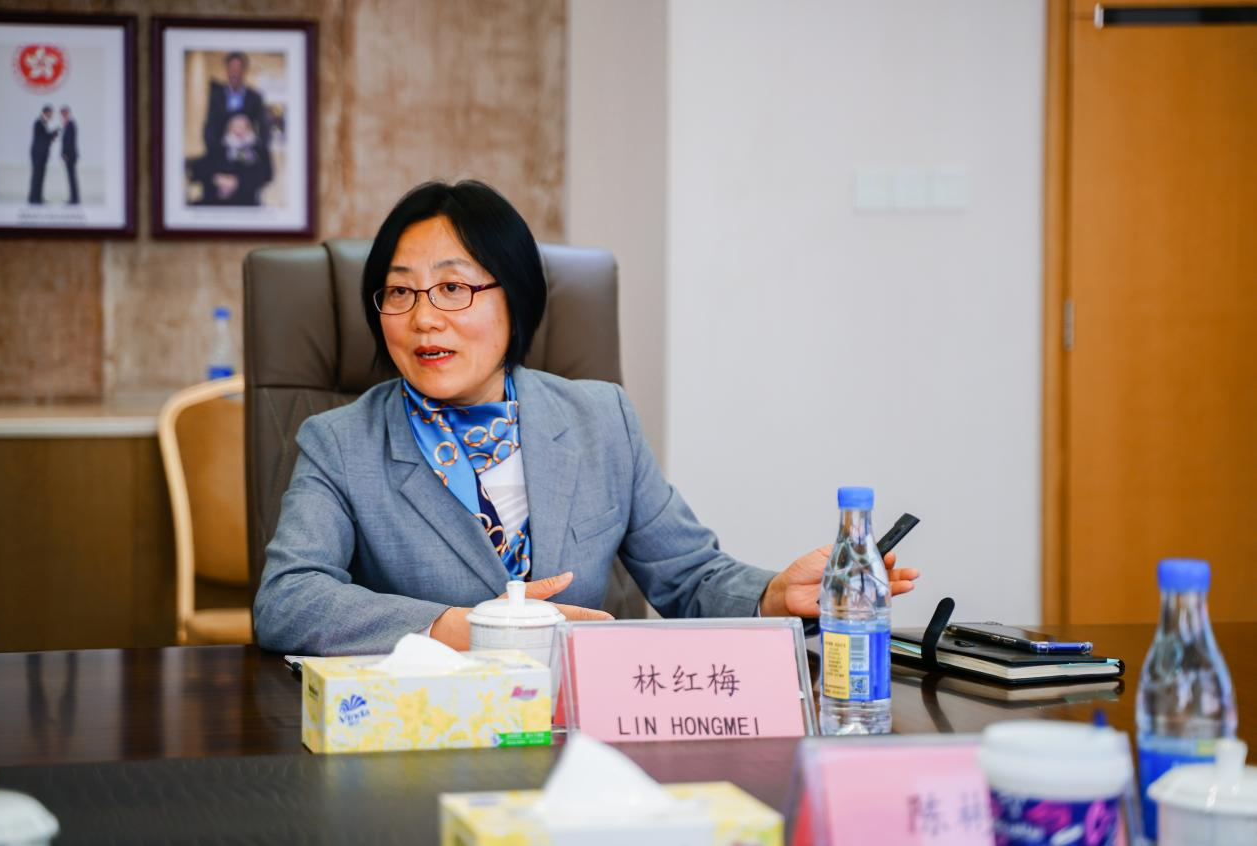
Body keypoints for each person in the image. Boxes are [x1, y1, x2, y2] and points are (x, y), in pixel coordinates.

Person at [253, 181, 919, 656]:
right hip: (426, 733)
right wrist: (459, 628)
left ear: (515, 299)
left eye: (453, 288)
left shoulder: (601, 420)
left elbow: (691, 576)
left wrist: (774, 594)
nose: (424, 317)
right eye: (400, 291)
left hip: (583, 729)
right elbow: (289, 599)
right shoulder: (340, 442)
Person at [197, 51, 272, 205]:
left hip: (246, 192)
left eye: (238, 69)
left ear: (244, 71)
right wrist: (219, 177)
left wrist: (239, 181)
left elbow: (266, 174)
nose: (234, 73)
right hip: (219, 158)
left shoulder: (254, 97)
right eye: (231, 68)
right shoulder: (216, 96)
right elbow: (209, 127)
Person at [189, 113, 272, 205]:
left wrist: (237, 182)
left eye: (244, 126)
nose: (240, 130)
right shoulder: (218, 147)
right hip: (214, 201)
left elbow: (266, 175)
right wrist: (217, 178)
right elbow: (200, 169)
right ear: (229, 128)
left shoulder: (259, 150)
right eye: (236, 126)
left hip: (246, 201)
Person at [27, 105, 58, 205]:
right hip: (38, 154)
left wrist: (52, 136)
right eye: (50, 113)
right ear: (45, 112)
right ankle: (33, 198)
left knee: (40, 176)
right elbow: (43, 138)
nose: (51, 115)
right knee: (37, 176)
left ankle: (38, 197)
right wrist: (53, 134)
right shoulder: (38, 123)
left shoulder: (43, 123)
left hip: (42, 154)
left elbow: (45, 139)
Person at [59, 106, 79, 205]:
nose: (63, 115)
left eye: (64, 113)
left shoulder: (70, 124)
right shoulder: (67, 124)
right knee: (71, 178)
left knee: (72, 177)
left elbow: (70, 142)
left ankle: (74, 199)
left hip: (70, 156)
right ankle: (73, 198)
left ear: (67, 113)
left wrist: (66, 154)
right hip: (69, 155)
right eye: (62, 114)